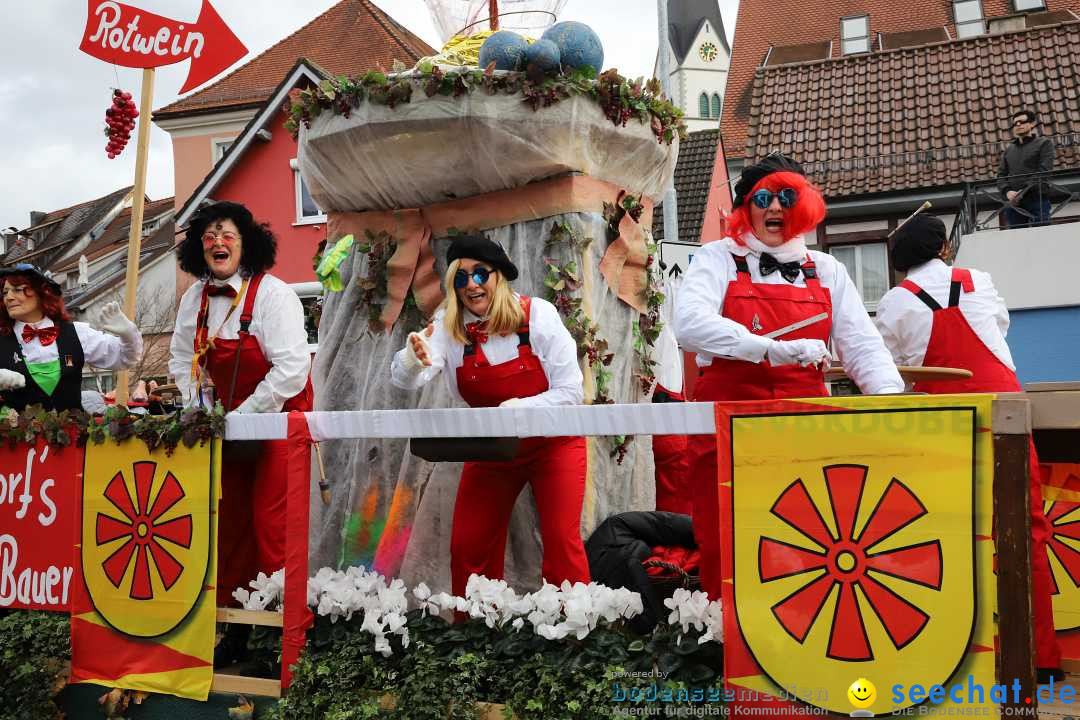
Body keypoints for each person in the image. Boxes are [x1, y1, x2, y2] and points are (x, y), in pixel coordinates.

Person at [673, 154, 904, 600]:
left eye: (787, 197)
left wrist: (892, 398)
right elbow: (690, 326)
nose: (775, 208)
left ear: (804, 204)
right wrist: (767, 350)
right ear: (747, 207)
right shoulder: (717, 257)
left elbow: (861, 344)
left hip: (805, 427)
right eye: (763, 198)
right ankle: (724, 643)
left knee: (808, 536)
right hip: (728, 423)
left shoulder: (829, 269)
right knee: (726, 533)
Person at [874, 212, 1062, 683]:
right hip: (1005, 412)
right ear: (943, 249)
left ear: (901, 264)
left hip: (943, 424)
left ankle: (956, 657)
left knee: (947, 535)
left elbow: (890, 370)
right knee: (1028, 528)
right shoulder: (978, 279)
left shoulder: (894, 302)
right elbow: (1000, 328)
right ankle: (1041, 659)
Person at [390, 234, 590, 597]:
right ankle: (476, 638)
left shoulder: (538, 314)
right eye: (460, 278)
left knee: (562, 542)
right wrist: (410, 358)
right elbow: (410, 380)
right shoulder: (450, 326)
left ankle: (576, 637)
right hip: (493, 451)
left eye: (479, 273)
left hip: (554, 445)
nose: (471, 285)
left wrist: (517, 410)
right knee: (469, 545)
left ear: (498, 276)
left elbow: (571, 392)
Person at [168, 202, 313, 622]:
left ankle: (280, 627)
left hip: (278, 422)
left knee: (272, 524)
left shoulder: (274, 294)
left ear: (245, 244)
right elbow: (182, 360)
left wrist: (247, 415)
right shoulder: (193, 299)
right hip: (228, 426)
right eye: (210, 237)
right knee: (227, 521)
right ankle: (232, 621)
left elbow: (292, 369)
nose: (218, 243)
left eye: (227, 235)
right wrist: (201, 408)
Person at [0, 263, 141, 411]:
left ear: (42, 292)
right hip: (17, 434)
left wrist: (128, 334)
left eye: (17, 289)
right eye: (5, 292)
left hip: (75, 432)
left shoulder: (77, 333)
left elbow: (125, 359)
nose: (9, 297)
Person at [997, 109, 1055, 228]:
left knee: (1042, 236)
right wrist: (1007, 191)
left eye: (1022, 121)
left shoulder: (1044, 144)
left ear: (1032, 124)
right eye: (1015, 123)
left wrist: (1023, 191)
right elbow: (1001, 175)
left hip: (1037, 199)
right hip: (1014, 204)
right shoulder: (1009, 150)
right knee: (1017, 240)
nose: (1018, 125)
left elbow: (1044, 170)